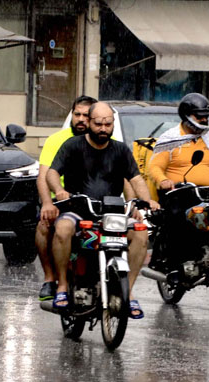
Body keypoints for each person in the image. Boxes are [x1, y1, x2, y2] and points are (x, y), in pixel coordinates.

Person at [46, 102, 160, 318]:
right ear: (88, 122)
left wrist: (146, 202)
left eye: (107, 124)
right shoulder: (73, 145)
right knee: (62, 228)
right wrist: (59, 191)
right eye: (98, 124)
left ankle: (129, 291)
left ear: (113, 124)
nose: (102, 129)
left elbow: (136, 179)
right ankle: (61, 286)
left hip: (112, 214)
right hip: (78, 211)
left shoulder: (120, 150)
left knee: (141, 233)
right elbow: (51, 173)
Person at [36, 95, 98, 301]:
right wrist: (47, 203)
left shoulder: (109, 142)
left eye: (86, 115)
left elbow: (127, 177)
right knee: (44, 226)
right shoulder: (56, 140)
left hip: (96, 205)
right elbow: (44, 175)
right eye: (77, 114)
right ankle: (50, 278)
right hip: (61, 203)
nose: (81, 119)